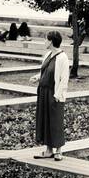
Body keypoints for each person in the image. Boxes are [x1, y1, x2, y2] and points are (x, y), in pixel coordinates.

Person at [34, 30, 69, 160]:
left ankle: (59, 150)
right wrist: (38, 77)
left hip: (54, 93)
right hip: (43, 92)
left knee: (56, 121)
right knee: (45, 120)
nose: (44, 41)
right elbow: (45, 71)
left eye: (46, 39)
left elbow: (64, 79)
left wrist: (57, 96)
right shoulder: (48, 54)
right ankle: (48, 149)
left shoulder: (62, 57)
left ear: (51, 41)